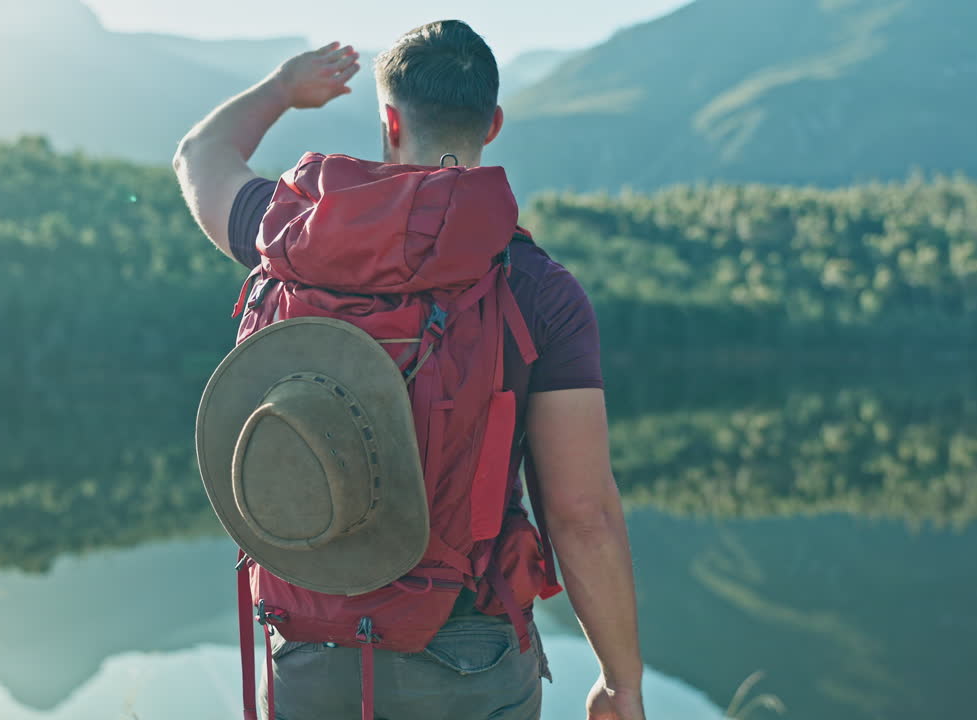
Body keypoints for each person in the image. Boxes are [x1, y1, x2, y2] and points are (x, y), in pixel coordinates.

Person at [175, 20, 645, 720]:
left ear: (390, 122)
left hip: (308, 644)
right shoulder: (536, 287)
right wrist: (619, 681)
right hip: (469, 646)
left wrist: (283, 89)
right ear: (493, 124)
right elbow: (581, 515)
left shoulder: (287, 233)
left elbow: (199, 155)